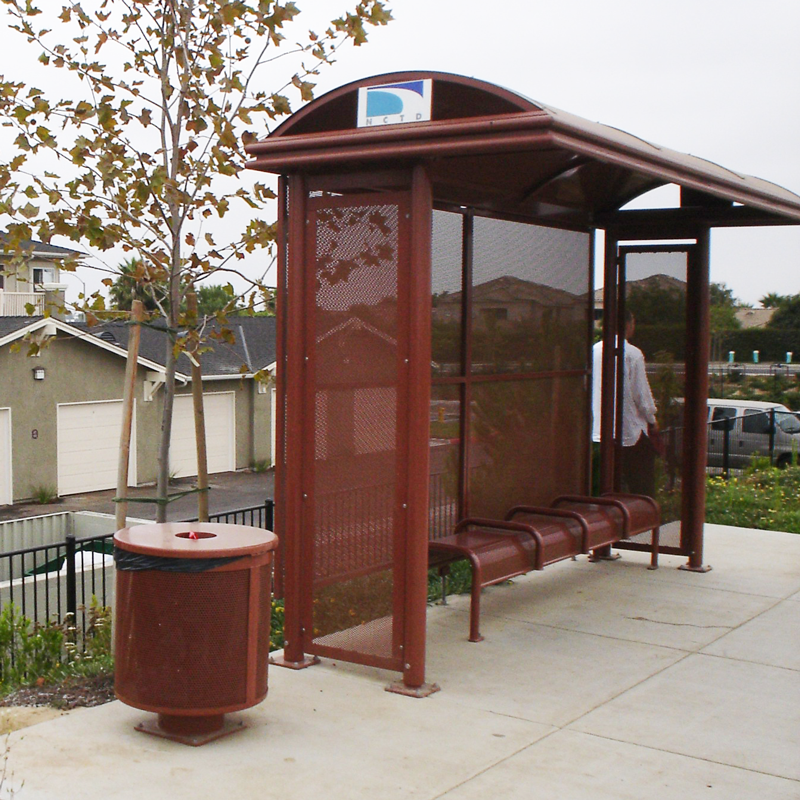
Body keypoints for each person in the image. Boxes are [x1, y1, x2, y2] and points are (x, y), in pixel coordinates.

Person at [592, 310, 659, 497]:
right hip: (630, 430)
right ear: (628, 325)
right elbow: (641, 395)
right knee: (641, 484)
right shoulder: (633, 354)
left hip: (600, 430)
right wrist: (652, 420)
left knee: (605, 483)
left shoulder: (595, 350)